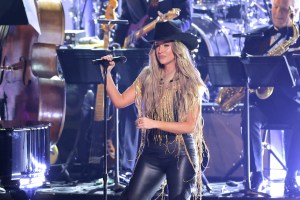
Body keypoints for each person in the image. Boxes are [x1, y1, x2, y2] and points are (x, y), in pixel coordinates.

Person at [99, 21, 207, 199]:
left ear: (178, 49)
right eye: (157, 46)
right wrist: (107, 74)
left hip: (180, 152)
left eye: (166, 45)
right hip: (152, 152)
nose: (160, 50)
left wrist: (153, 123)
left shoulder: (190, 81)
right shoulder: (147, 76)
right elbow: (119, 101)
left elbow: (189, 126)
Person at [112, 0, 194, 183]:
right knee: (128, 108)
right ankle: (126, 166)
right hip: (133, 55)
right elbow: (125, 19)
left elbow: (187, 20)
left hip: (165, 54)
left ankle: (168, 163)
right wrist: (118, 44)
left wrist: (167, 29)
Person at [240, 0, 300, 196]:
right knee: (249, 113)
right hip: (263, 102)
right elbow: (243, 66)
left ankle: (291, 175)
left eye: (284, 9)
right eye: (275, 7)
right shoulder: (255, 36)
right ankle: (256, 174)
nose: (279, 13)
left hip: (290, 102)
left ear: (295, 12)